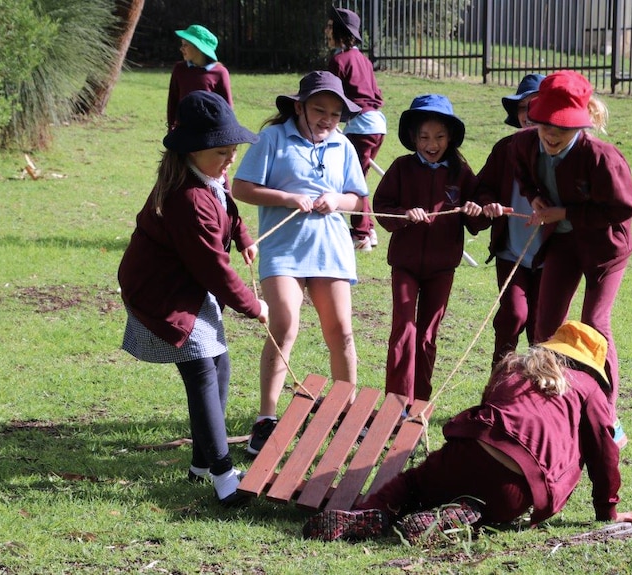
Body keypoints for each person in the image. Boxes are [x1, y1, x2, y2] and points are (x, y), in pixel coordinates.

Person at [302, 321, 632, 543]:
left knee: (412, 485)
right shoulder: (589, 387)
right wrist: (608, 510)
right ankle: (463, 516)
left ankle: (375, 510)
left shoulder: (516, 365)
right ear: (591, 364)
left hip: (471, 451)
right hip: (519, 483)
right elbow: (606, 452)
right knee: (491, 505)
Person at [118, 91, 268, 506]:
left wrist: (242, 237)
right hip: (161, 291)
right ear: (193, 151)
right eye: (223, 152)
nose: (230, 160)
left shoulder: (208, 176)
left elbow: (226, 204)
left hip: (187, 283)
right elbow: (212, 269)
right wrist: (255, 307)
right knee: (202, 370)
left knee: (219, 365)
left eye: (233, 150)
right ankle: (224, 478)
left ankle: (201, 464)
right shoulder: (186, 199)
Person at [231, 71, 368, 456]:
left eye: (335, 113)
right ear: (298, 107)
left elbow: (357, 199)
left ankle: (345, 414)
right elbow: (241, 188)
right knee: (284, 325)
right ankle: (266, 419)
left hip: (331, 251)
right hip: (284, 251)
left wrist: (334, 200)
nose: (327, 119)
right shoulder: (272, 138)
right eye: (319, 110)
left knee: (341, 332)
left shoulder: (343, 146)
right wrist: (288, 198)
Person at [512, 70, 632, 426]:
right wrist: (536, 198)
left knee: (594, 324)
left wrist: (563, 212)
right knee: (545, 325)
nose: (552, 135)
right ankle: (543, 403)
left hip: (604, 250)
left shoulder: (602, 157)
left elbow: (622, 208)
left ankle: (607, 414)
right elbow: (522, 172)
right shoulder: (524, 145)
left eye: (563, 128)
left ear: (581, 125)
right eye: (546, 125)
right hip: (562, 242)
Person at [373, 94, 483, 405]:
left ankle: (418, 402)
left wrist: (477, 212)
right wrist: (403, 215)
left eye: (438, 136)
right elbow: (381, 207)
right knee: (404, 329)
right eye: (423, 137)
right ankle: (395, 404)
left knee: (426, 336)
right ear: (413, 138)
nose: (431, 143)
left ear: (450, 138)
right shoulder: (401, 167)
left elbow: (477, 218)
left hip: (442, 268)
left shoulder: (461, 173)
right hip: (405, 265)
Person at [475, 73, 546, 369]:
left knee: (542, 329)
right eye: (522, 108)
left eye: (537, 105)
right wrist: (487, 204)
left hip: (550, 258)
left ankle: (538, 399)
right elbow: (481, 188)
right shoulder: (505, 149)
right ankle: (497, 386)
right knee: (513, 315)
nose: (529, 114)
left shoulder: (558, 149)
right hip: (511, 252)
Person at [325, 6, 386, 252]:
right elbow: (376, 95)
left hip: (360, 127)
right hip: (377, 125)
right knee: (358, 177)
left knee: (352, 181)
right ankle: (368, 229)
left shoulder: (338, 61)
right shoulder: (364, 60)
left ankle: (360, 234)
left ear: (339, 31)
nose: (326, 31)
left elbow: (331, 95)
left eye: (330, 27)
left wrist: (333, 124)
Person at [166, 24, 233, 131]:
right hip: (183, 131)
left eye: (185, 45)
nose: (181, 48)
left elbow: (227, 107)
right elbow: (172, 101)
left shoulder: (220, 72)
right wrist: (171, 128)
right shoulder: (179, 69)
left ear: (198, 48)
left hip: (209, 132)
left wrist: (229, 134)